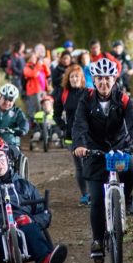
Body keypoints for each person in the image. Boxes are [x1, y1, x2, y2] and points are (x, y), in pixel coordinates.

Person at [72, 58, 133, 262]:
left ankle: (128, 197)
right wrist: (80, 145)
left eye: (107, 78)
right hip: (94, 151)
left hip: (119, 147)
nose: (103, 83)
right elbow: (79, 125)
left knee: (130, 166)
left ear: (114, 79)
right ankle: (97, 240)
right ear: (93, 81)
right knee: (96, 198)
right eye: (99, 79)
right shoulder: (86, 100)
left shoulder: (123, 100)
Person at [53, 64, 89, 205]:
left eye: (77, 76)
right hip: (72, 136)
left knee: (90, 164)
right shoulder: (64, 94)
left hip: (88, 135)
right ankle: (85, 195)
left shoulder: (88, 93)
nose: (74, 79)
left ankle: (95, 193)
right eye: (72, 76)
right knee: (80, 166)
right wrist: (64, 127)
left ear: (81, 78)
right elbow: (56, 114)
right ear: (68, 79)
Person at [23, 51, 50, 121]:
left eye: (35, 57)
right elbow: (34, 74)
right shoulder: (26, 68)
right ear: (28, 59)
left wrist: (43, 64)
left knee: (45, 107)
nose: (34, 58)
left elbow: (47, 73)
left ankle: (44, 125)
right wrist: (38, 65)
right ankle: (38, 127)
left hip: (43, 90)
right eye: (32, 57)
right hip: (34, 91)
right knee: (38, 110)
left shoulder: (37, 66)